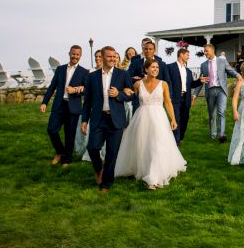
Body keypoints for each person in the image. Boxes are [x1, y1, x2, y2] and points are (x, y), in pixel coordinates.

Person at [115, 59, 187, 189]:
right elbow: (130, 96)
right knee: (142, 144)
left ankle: (153, 177)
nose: (155, 69)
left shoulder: (163, 84)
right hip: (142, 118)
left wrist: (173, 119)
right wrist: (124, 93)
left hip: (159, 118)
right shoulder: (137, 84)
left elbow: (168, 102)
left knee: (156, 144)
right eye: (153, 67)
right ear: (146, 69)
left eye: (157, 68)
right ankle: (141, 168)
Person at [81, 46, 134, 193]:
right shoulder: (92, 77)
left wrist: (119, 94)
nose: (112, 59)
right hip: (98, 118)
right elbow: (88, 101)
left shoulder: (122, 75)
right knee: (92, 147)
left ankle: (106, 183)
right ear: (103, 57)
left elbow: (131, 94)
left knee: (112, 153)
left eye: (114, 56)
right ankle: (98, 169)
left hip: (116, 119)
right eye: (109, 56)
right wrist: (84, 120)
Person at [40, 45, 88, 167]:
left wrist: (75, 90)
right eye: (73, 54)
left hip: (74, 107)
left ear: (80, 56)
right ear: (69, 54)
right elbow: (52, 86)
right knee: (51, 130)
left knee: (70, 134)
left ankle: (67, 159)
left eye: (77, 54)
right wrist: (44, 102)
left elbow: (87, 90)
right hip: (59, 105)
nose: (75, 56)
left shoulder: (83, 72)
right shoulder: (60, 69)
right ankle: (60, 152)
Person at [199, 44, 241, 143]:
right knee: (212, 115)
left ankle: (222, 135)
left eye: (206, 51)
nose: (205, 53)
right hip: (210, 91)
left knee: (221, 112)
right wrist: (194, 95)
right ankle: (213, 135)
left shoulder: (222, 61)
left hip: (221, 90)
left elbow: (230, 70)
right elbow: (201, 81)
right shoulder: (203, 65)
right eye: (204, 51)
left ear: (212, 50)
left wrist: (238, 75)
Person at [165, 48, 204, 145]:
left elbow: (191, 84)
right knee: (176, 119)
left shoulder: (189, 71)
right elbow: (167, 83)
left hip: (186, 99)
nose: (189, 57)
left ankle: (181, 137)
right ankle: (176, 142)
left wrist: (199, 81)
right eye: (187, 55)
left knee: (185, 119)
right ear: (181, 55)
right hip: (175, 98)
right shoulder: (170, 67)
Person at [128, 41, 167, 111]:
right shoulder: (135, 63)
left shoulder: (162, 64)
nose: (148, 51)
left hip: (157, 102)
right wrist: (135, 79)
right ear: (143, 50)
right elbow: (127, 77)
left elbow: (167, 80)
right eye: (146, 49)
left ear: (154, 50)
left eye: (150, 49)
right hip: (139, 101)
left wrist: (168, 97)